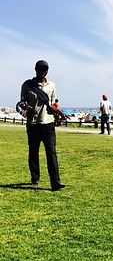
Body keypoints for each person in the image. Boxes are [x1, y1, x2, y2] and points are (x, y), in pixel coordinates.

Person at [20, 60, 63, 191]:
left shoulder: (52, 85)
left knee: (51, 153)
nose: (43, 71)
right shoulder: (27, 85)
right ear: (36, 70)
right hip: (33, 124)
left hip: (48, 123)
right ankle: (35, 178)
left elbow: (52, 104)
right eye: (41, 69)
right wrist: (26, 108)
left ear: (47, 71)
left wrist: (58, 114)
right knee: (33, 153)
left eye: (45, 69)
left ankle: (55, 181)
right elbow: (21, 103)